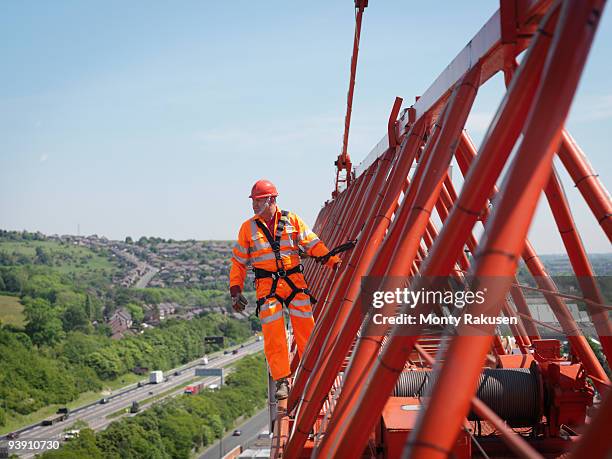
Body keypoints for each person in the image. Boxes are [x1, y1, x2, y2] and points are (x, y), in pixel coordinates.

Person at [229, 179, 341, 400]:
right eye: (253, 201)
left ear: (271, 199)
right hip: (267, 287)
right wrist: (235, 289)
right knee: (273, 334)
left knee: (306, 329)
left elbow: (313, 244)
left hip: (294, 284)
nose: (254, 205)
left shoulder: (291, 220)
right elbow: (238, 262)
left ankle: (312, 373)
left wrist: (333, 262)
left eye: (258, 201)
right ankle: (283, 380)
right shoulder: (248, 228)